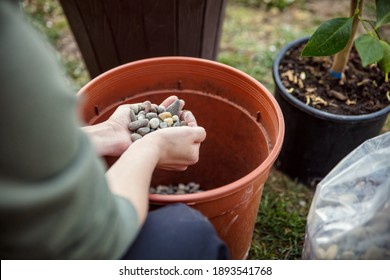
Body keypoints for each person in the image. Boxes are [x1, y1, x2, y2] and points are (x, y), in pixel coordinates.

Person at [0, 1, 229, 260]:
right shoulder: (9, 57)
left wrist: (109, 131)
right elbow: (97, 238)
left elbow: (17, 153)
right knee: (187, 231)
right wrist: (151, 147)